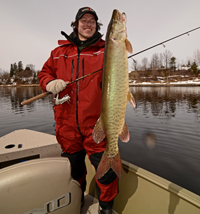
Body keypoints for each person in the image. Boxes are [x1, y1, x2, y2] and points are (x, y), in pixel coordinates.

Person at [38, 7, 118, 214]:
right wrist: (50, 83)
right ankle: (76, 200)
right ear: (76, 24)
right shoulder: (58, 53)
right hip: (66, 125)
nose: (88, 24)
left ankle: (106, 207)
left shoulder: (106, 51)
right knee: (74, 170)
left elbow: (118, 72)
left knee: (107, 172)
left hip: (96, 125)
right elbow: (44, 74)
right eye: (84, 20)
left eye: (92, 21)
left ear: (97, 26)